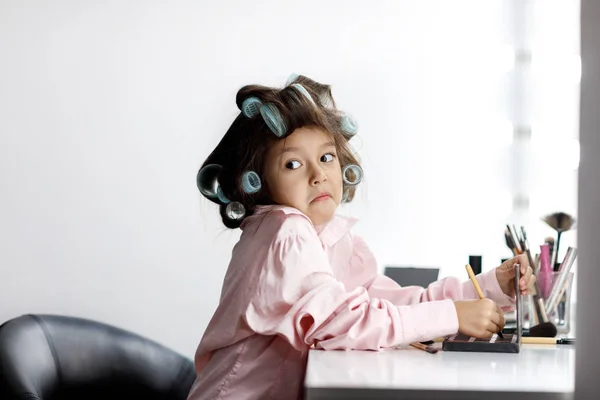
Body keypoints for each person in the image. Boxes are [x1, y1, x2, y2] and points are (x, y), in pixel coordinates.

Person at [187, 74, 536, 400]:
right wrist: (451, 315)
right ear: (259, 180)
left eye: (326, 157)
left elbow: (385, 302)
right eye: (293, 164)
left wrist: (486, 288)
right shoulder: (284, 229)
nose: (318, 175)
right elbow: (343, 324)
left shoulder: (322, 236)